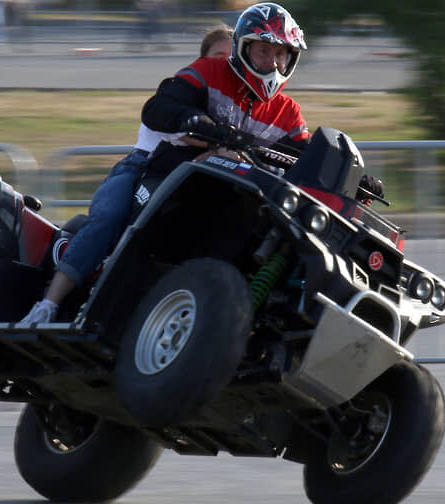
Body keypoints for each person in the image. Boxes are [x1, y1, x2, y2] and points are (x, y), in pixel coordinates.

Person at [17, 25, 234, 326]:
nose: (224, 64)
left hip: (186, 183)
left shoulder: (230, 111)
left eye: (232, 58)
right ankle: (47, 305)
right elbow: (187, 134)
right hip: (139, 168)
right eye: (218, 56)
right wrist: (222, 145)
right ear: (203, 61)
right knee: (110, 215)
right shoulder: (178, 98)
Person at [138, 2, 311, 184]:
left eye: (280, 54)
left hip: (244, 194)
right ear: (243, 47)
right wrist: (205, 128)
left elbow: (307, 156)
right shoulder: (210, 71)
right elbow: (157, 108)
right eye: (263, 50)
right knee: (111, 209)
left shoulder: (288, 111)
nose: (273, 62)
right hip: (174, 177)